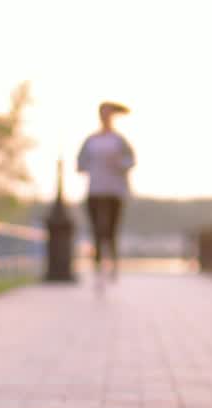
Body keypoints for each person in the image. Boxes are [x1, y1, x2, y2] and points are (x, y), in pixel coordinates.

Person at [77, 102, 135, 283]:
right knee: (96, 230)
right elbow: (80, 163)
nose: (105, 117)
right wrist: (87, 166)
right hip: (95, 190)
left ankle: (113, 267)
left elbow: (131, 161)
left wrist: (119, 164)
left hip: (115, 191)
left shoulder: (120, 140)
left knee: (111, 231)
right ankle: (97, 268)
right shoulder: (91, 140)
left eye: (108, 114)